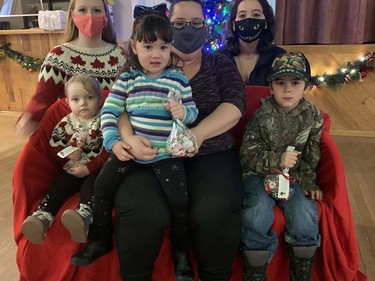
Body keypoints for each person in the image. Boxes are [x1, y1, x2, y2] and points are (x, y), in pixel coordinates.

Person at [78, 0, 245, 280]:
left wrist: (197, 133)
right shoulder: (134, 71)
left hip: (209, 154)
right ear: (168, 25)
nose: (188, 30)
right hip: (149, 154)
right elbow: (119, 107)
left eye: (196, 23)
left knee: (216, 211)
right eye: (180, 24)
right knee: (142, 212)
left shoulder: (219, 64)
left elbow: (236, 104)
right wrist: (128, 139)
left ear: (206, 27)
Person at [70, 9, 199, 280]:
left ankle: (181, 253)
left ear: (171, 47)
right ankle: (100, 239)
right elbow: (109, 112)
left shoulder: (177, 78)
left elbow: (192, 111)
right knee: (101, 187)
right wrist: (114, 142)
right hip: (127, 152)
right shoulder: (128, 79)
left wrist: (183, 112)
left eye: (163, 46)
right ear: (134, 47)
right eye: (148, 46)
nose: (156, 54)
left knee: (180, 204)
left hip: (166, 155)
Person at [239, 52, 324, 281]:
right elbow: (247, 156)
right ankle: (255, 272)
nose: (288, 90)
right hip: (256, 175)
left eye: (295, 83)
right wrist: (277, 160)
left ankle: (301, 269)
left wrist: (308, 181)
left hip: (291, 179)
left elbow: (311, 153)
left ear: (306, 86)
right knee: (256, 212)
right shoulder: (261, 116)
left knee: (305, 213)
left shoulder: (313, 116)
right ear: (271, 87)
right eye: (280, 83)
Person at [15, 0, 126, 137]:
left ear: (105, 17)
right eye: (82, 10)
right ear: (73, 15)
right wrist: (30, 117)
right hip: (76, 139)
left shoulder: (120, 55)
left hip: (115, 136)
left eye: (96, 10)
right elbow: (42, 98)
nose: (89, 16)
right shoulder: (59, 55)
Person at [21, 74, 109, 244]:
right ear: (68, 103)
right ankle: (43, 216)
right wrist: (66, 155)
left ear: (99, 100)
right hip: (74, 168)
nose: (83, 103)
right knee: (60, 183)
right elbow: (54, 147)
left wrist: (89, 168)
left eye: (89, 97)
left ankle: (83, 217)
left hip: (97, 170)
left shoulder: (105, 121)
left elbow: (109, 152)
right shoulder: (66, 122)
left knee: (92, 185)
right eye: (76, 99)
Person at [220, 0, 286, 85]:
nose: (248, 20)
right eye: (242, 15)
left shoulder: (280, 58)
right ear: (233, 25)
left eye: (256, 15)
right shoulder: (219, 59)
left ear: (266, 23)